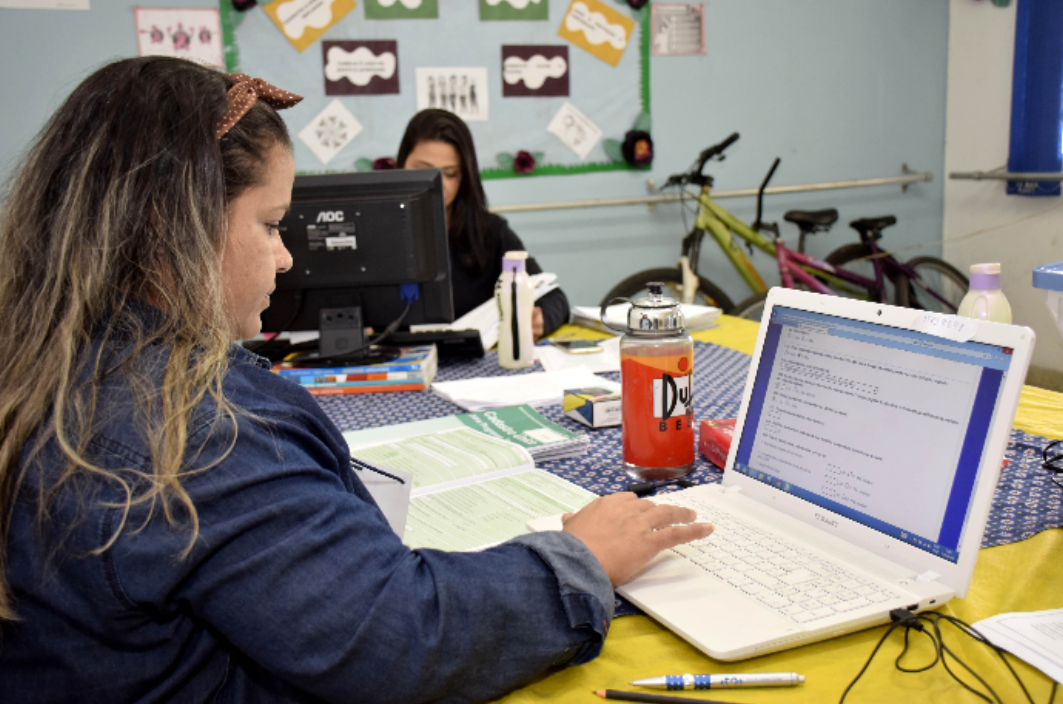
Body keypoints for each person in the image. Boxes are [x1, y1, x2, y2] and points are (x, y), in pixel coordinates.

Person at [0, 57, 712, 703]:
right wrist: (580, 559)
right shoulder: (201, 427)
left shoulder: (47, 361)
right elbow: (402, 638)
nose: (286, 258)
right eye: (271, 225)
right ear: (173, 223)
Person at [398, 109, 568, 340]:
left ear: (465, 177)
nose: (437, 185)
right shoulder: (374, 231)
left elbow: (553, 297)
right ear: (402, 164)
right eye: (423, 170)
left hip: (476, 357)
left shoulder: (489, 232)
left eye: (450, 174)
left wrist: (540, 319)